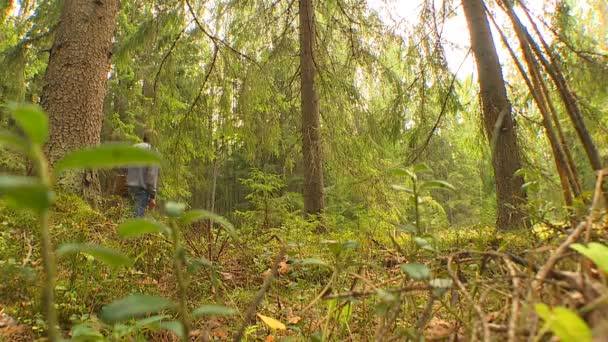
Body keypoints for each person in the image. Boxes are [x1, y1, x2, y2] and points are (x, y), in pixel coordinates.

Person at [126, 130, 159, 217]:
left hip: (129, 186)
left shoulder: (134, 147)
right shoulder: (153, 151)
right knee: (137, 216)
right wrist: (152, 196)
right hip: (142, 189)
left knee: (129, 214)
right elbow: (151, 175)